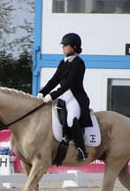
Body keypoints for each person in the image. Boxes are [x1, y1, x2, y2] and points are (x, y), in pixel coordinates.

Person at [37, 32, 92, 161]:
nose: (63, 47)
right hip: (64, 97)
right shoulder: (63, 62)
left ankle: (82, 150)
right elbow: (55, 79)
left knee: (71, 119)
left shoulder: (79, 63)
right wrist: (43, 91)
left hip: (75, 98)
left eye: (65, 45)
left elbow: (69, 83)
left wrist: (53, 95)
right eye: (63, 45)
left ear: (74, 47)